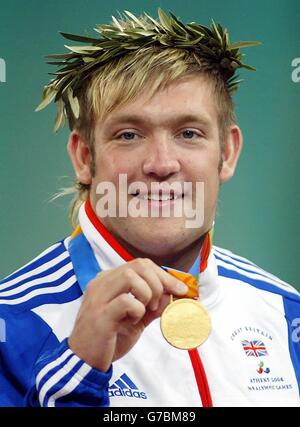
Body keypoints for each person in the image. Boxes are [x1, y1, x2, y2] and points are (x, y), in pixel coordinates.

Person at [0, 8, 299, 407]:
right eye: (128, 135)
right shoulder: (13, 324)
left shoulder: (284, 311)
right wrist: (80, 366)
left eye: (188, 133)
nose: (161, 164)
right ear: (84, 157)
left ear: (227, 153)